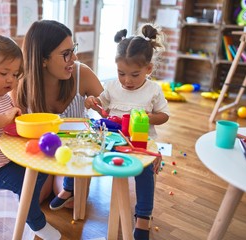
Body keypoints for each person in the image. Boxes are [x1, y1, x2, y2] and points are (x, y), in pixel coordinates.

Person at [0, 34, 61, 239]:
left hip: (5, 161)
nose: (11, 79)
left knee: (39, 172)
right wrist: (4, 118)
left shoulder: (4, 97)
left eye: (15, 73)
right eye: (4, 72)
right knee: (23, 184)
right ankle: (36, 223)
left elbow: (10, 124)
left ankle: (27, 207)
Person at [85, 23, 170, 240]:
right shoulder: (113, 87)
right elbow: (102, 108)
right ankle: (69, 189)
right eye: (121, 73)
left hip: (141, 145)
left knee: (144, 174)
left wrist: (144, 118)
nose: (127, 80)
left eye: (134, 74)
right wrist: (92, 102)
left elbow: (164, 116)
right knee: (85, 153)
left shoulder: (153, 90)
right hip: (114, 140)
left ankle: (143, 215)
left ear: (148, 69)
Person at [12, 19, 104, 210]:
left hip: (74, 155)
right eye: (66, 54)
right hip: (41, 155)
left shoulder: (82, 74)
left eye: (73, 49)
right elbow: (15, 131)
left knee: (73, 200)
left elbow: (111, 110)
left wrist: (99, 105)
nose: (74, 57)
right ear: (43, 59)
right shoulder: (21, 85)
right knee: (33, 200)